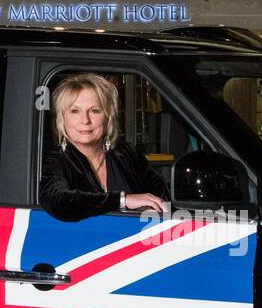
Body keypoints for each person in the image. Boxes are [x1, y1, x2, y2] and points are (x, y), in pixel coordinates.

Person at [39, 73, 167, 221]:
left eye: (95, 110)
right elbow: (58, 201)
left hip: (138, 240)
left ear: (108, 117)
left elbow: (163, 199)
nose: (85, 120)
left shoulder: (127, 155)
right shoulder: (56, 161)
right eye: (75, 111)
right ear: (62, 119)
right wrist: (123, 200)